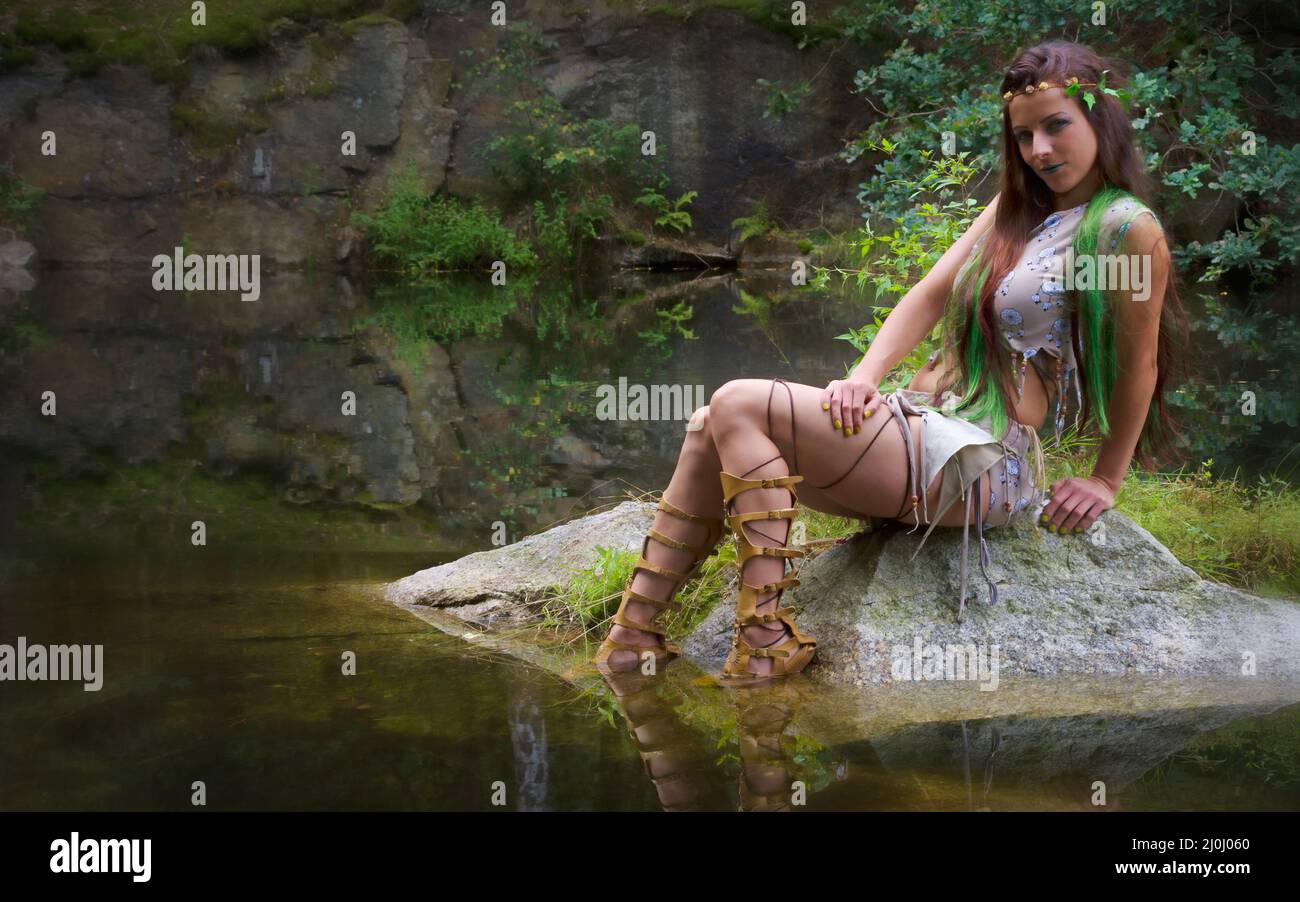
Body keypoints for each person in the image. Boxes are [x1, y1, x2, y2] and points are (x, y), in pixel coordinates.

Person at [594, 39, 1186, 686]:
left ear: (1100, 119)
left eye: (1057, 126)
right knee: (712, 423)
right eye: (1023, 136)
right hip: (920, 429)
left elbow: (1140, 365)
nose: (1039, 150)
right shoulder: (1018, 209)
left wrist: (1104, 480)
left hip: (983, 460)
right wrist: (864, 376)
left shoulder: (1126, 229)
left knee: (738, 401)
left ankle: (761, 636)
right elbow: (931, 293)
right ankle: (633, 634)